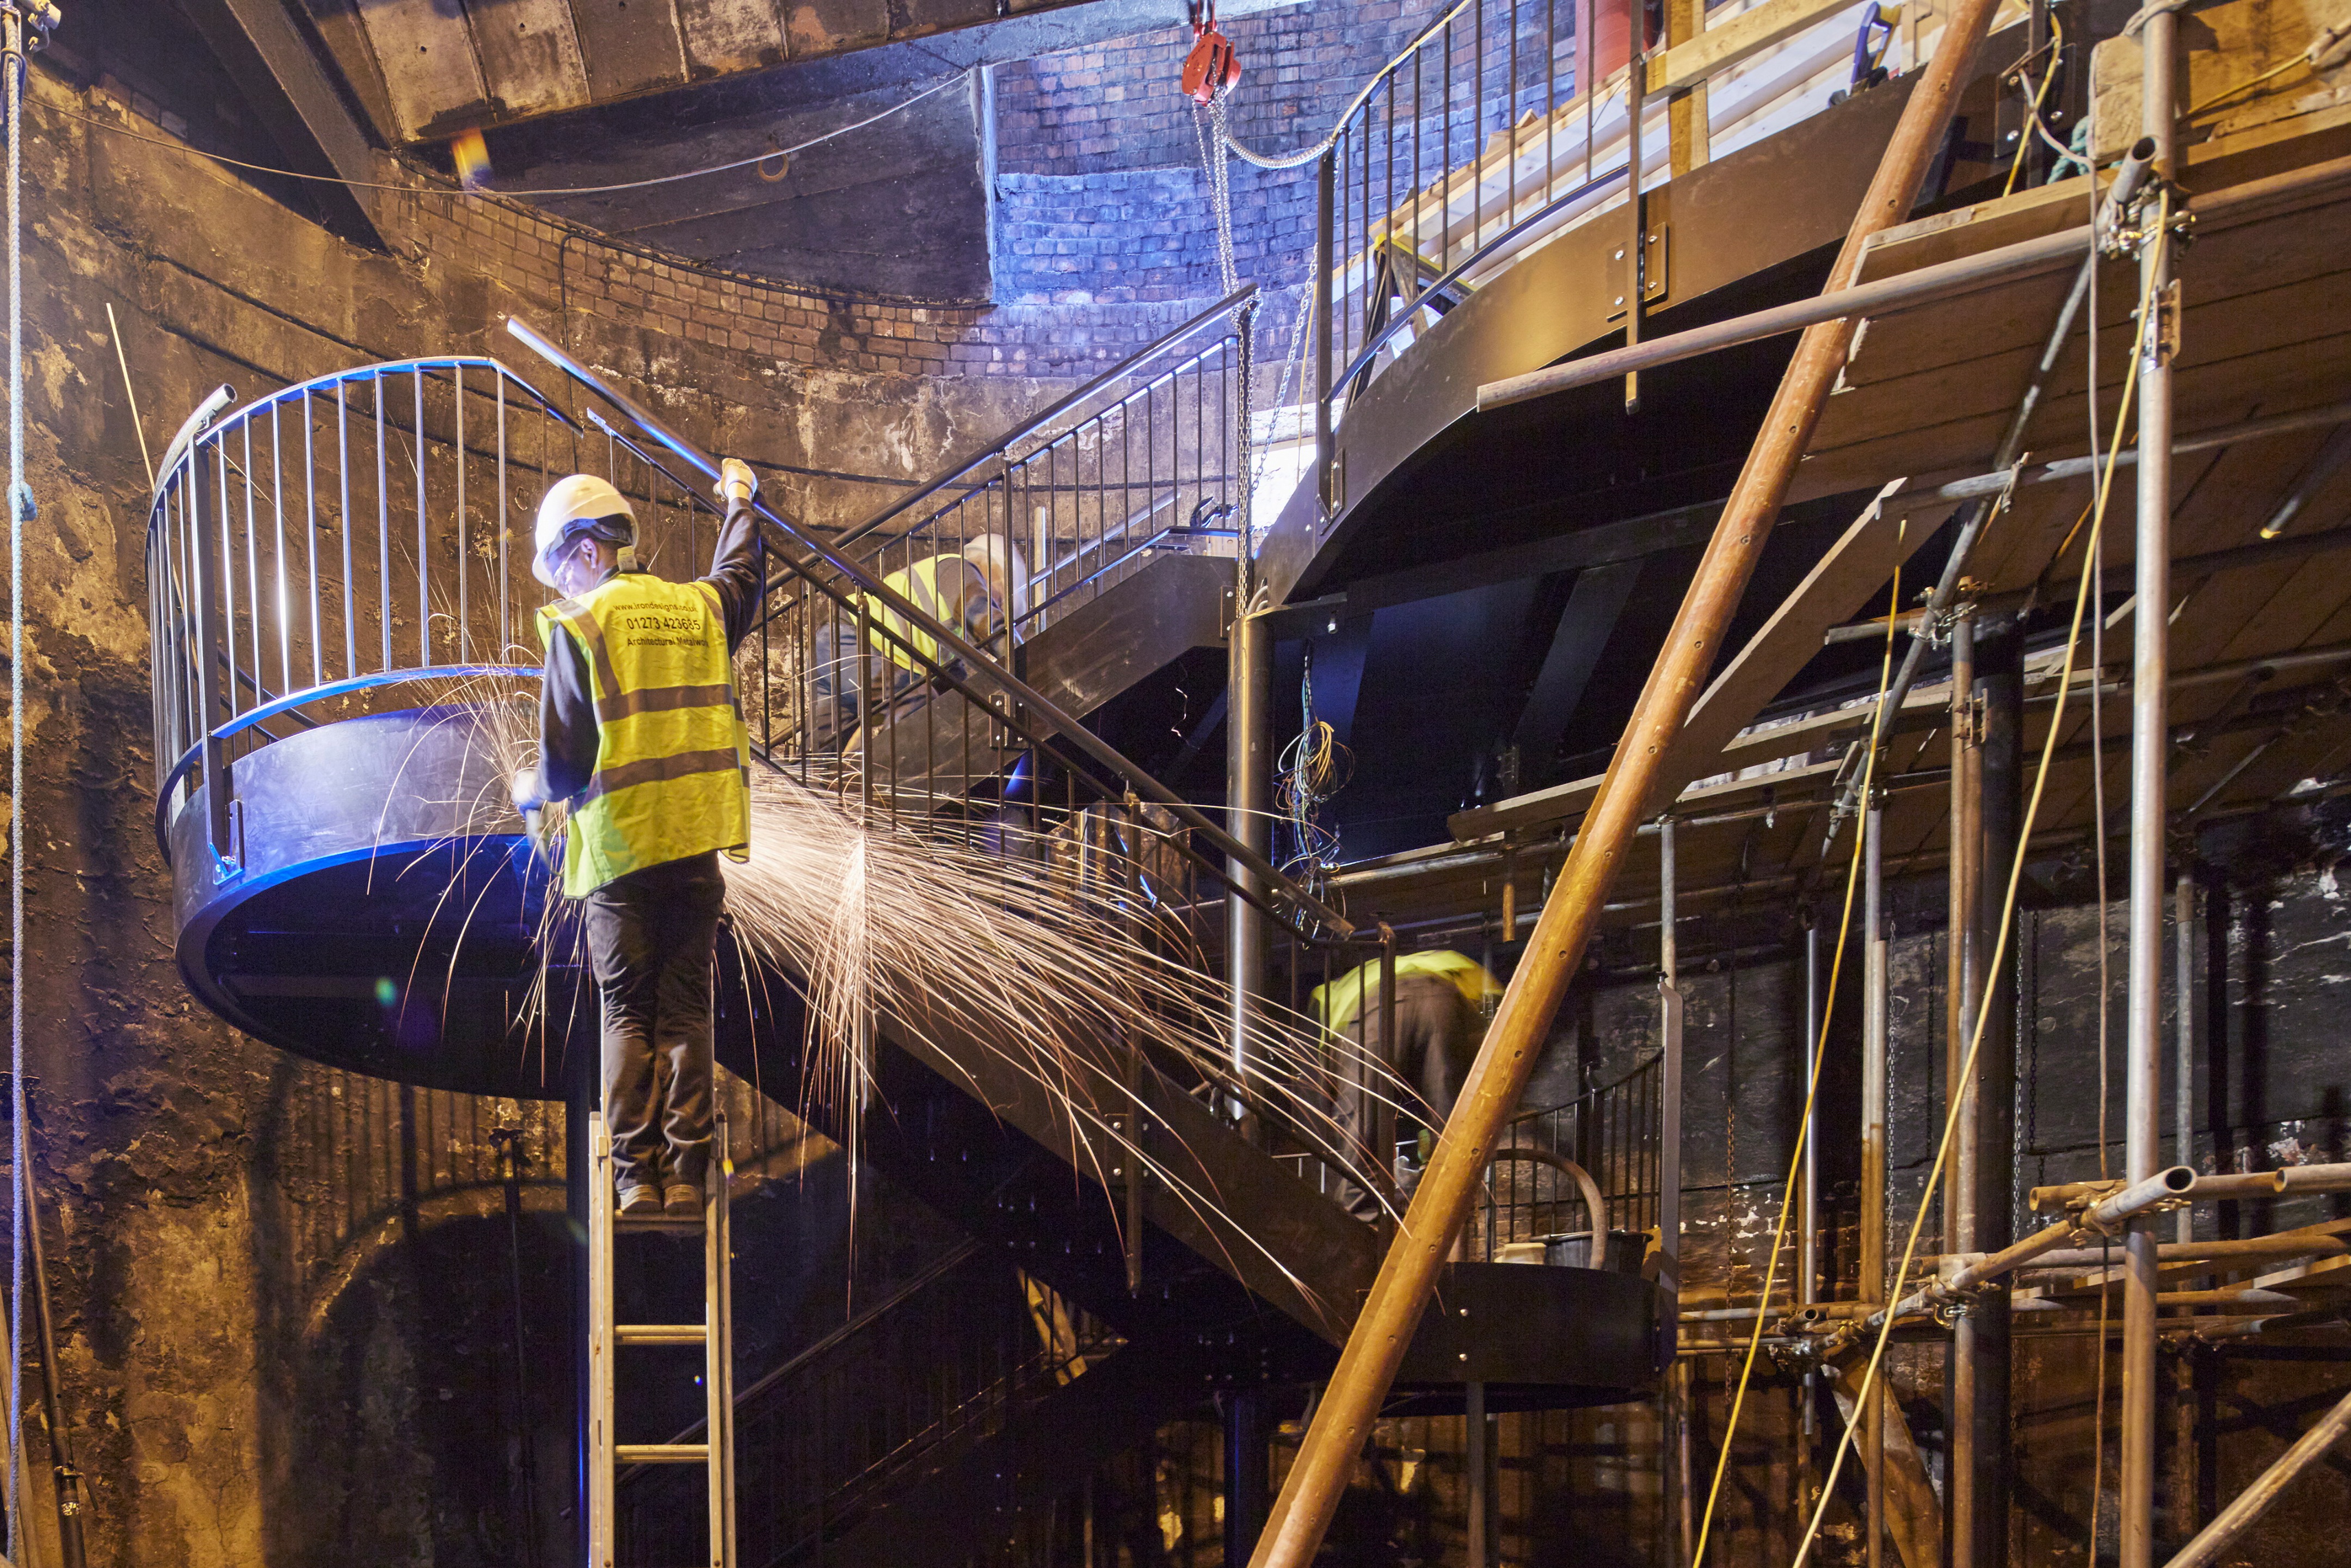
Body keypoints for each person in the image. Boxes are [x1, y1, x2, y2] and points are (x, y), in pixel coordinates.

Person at [511, 461, 765, 1216]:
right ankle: (689, 1173)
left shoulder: (583, 625)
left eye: (560, 562)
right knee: (686, 1008)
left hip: (620, 853)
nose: (559, 582)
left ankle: (635, 1179)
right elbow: (741, 572)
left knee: (625, 1009)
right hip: (693, 846)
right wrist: (741, 501)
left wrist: (534, 788)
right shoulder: (696, 608)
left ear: (589, 545)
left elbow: (563, 761)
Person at [1312, 948, 1501, 1220]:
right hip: (1445, 997)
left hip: (1377, 1005)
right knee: (1451, 1130)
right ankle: (1447, 1213)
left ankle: (1367, 1227)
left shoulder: (1331, 1003)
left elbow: (1328, 1089)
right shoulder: (1428, 965)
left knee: (1359, 1138)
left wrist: (1338, 1125)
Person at [807, 534, 1026, 750]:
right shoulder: (958, 568)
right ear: (993, 568)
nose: (996, 605)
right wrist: (1024, 661)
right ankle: (887, 777)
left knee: (821, 756)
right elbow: (980, 613)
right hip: (854, 640)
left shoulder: (955, 628)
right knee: (915, 700)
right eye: (999, 599)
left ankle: (817, 780)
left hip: (838, 642)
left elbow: (952, 680)